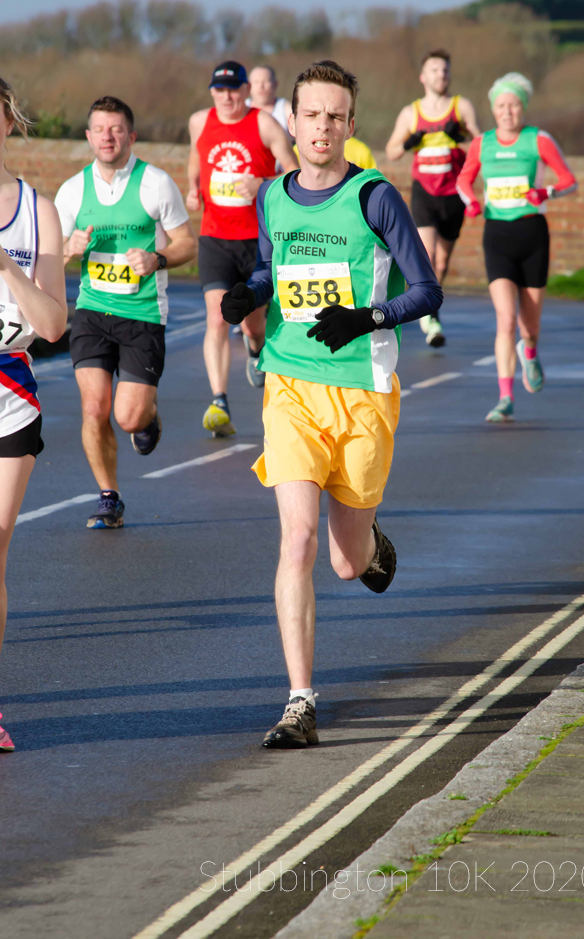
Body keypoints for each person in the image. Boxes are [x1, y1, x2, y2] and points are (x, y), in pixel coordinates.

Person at [221, 60, 443, 749]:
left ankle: (371, 545)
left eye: (336, 117)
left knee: (347, 562)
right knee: (297, 539)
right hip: (289, 383)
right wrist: (250, 292)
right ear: (292, 120)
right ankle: (300, 702)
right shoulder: (271, 196)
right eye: (312, 115)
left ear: (350, 125)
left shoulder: (375, 197)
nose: (323, 127)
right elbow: (271, 268)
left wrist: (367, 317)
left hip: (362, 390)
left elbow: (427, 291)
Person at [56, 96, 196, 528]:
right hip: (92, 311)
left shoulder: (155, 183)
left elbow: (187, 244)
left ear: (131, 136)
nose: (108, 137)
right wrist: (68, 248)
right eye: (99, 129)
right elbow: (49, 254)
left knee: (128, 416)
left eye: (116, 129)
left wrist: (157, 259)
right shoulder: (72, 190)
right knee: (94, 408)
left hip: (143, 314)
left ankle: (148, 417)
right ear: (88, 136)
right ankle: (109, 497)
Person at [0, 78, 67, 751]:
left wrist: (8, 269)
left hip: (10, 394)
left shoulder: (36, 210)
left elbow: (51, 325)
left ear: (9, 122)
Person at [456, 73, 577, 423]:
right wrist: (471, 201)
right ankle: (505, 397)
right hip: (497, 236)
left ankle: (531, 351)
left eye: (513, 105)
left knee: (529, 328)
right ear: (493, 109)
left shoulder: (538, 140)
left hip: (533, 235)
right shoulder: (482, 143)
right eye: (501, 106)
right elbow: (464, 179)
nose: (507, 111)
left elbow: (569, 181)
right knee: (506, 319)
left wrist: (545, 192)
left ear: (522, 108)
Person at [186, 61, 297, 436]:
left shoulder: (264, 124)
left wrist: (262, 182)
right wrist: (192, 188)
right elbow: (195, 157)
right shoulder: (199, 121)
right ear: (212, 92)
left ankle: (255, 345)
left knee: (253, 323)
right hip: (215, 237)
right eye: (220, 90)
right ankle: (219, 400)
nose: (227, 97)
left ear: (246, 90)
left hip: (257, 240)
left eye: (234, 89)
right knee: (217, 317)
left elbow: (294, 172)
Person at [385, 49, 479, 347]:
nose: (442, 74)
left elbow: (482, 144)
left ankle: (430, 301)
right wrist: (409, 142)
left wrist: (459, 138)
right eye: (436, 70)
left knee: (442, 260)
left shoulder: (461, 106)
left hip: (453, 192)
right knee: (428, 253)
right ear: (423, 77)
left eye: (445, 70)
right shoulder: (410, 113)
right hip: (424, 190)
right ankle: (431, 315)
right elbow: (391, 151)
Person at [248, 65, 293, 137]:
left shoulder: (287, 109)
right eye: (256, 82)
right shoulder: (240, 108)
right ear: (248, 86)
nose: (261, 87)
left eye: (266, 81)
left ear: (275, 84)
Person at [293, 133, 377, 170]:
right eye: (312, 115)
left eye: (334, 117)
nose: (323, 126)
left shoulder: (361, 151)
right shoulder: (299, 149)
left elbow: (371, 185)